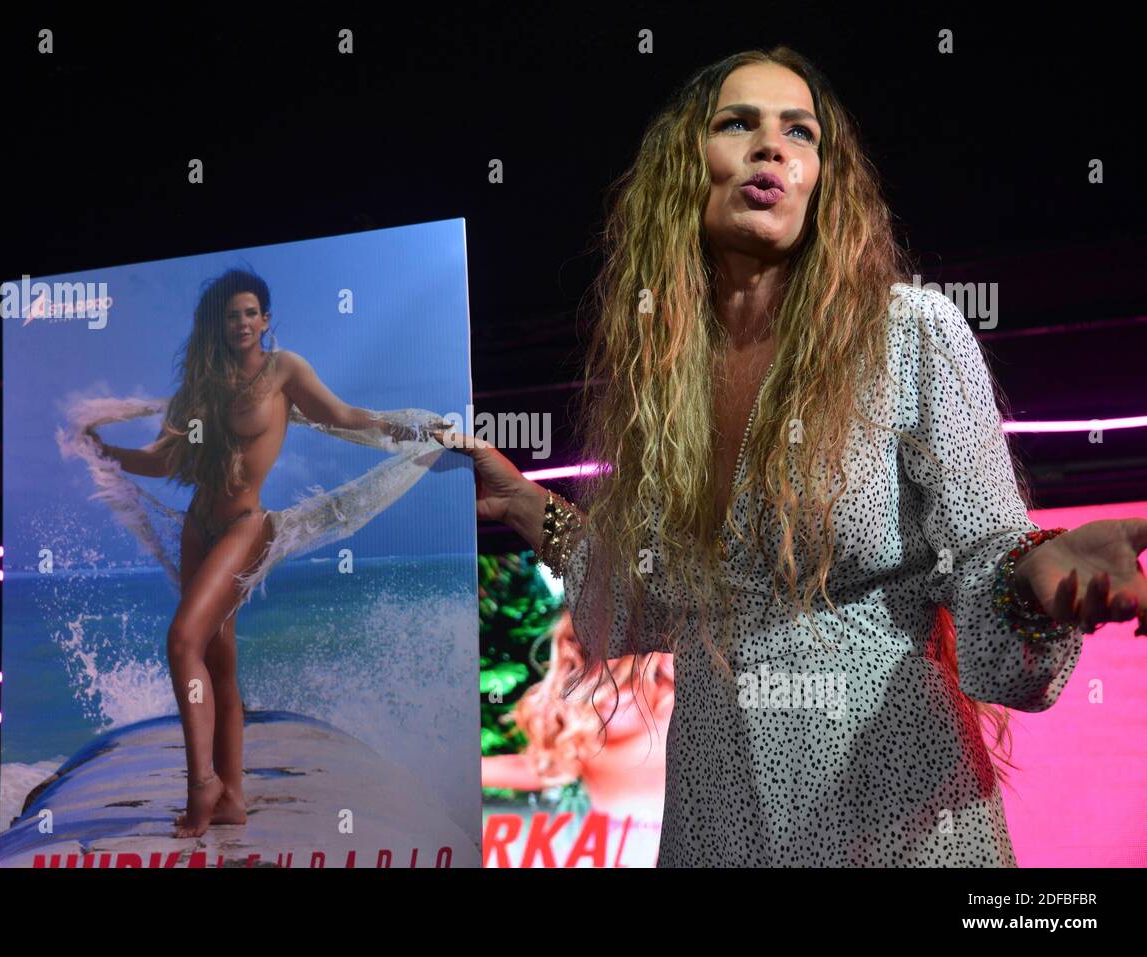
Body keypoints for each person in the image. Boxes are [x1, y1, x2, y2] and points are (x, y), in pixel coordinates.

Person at [435, 47, 1147, 866]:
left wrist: (1035, 572)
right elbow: (654, 600)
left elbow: (985, 553)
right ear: (683, 167)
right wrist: (528, 506)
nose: (771, 147)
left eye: (799, 133)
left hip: (889, 806)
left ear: (820, 178)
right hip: (717, 812)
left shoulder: (907, 333)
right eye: (737, 124)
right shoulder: (664, 378)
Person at [87, 268, 434, 838]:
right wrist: (107, 452)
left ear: (265, 320)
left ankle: (202, 787)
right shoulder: (200, 388)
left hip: (246, 527)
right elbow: (164, 461)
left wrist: (417, 431)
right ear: (217, 325)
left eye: (251, 312)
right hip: (198, 528)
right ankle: (233, 798)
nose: (242, 322)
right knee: (219, 664)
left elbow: (343, 417)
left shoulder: (283, 371)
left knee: (181, 641)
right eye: (231, 314)